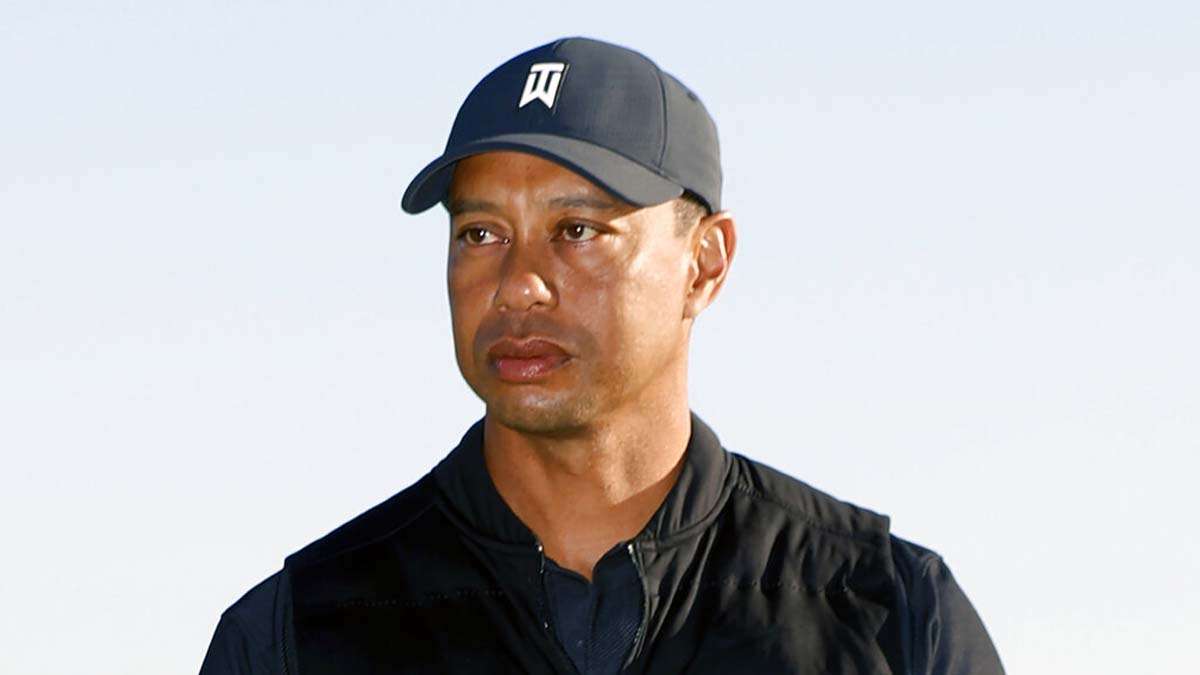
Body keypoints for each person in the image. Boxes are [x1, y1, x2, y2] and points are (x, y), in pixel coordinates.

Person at [200, 36, 1005, 674]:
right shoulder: (296, 635)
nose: (519, 285)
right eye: (480, 233)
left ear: (705, 263)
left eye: (577, 230)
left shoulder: (887, 615)